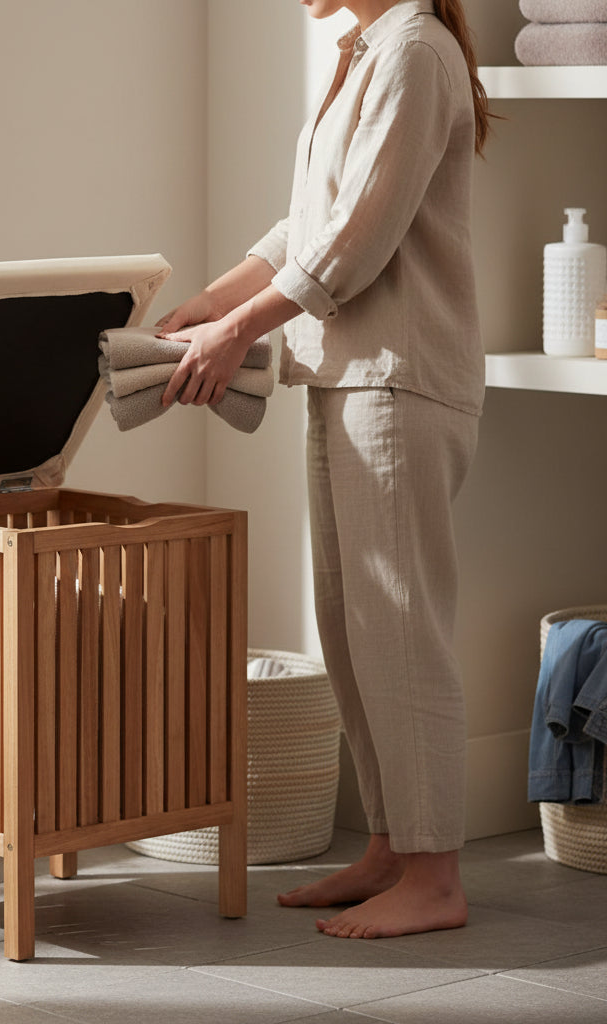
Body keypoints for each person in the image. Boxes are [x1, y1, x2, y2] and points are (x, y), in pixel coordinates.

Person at [156, 0, 492, 939]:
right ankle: (392, 846)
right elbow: (309, 221)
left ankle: (435, 877)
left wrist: (237, 331)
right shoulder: (367, 51)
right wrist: (211, 302)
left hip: (399, 377)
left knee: (400, 631)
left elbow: (358, 238)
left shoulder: (415, 51)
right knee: (352, 628)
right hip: (347, 372)